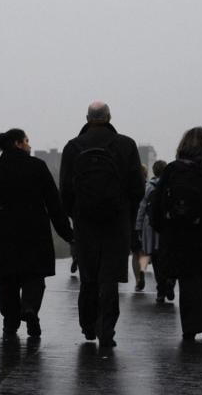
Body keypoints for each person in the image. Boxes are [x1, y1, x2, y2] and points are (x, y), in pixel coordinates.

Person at [59, 101, 145, 351]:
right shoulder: (126, 145)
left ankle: (87, 324)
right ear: (109, 117)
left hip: (85, 222)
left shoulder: (73, 146)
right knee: (109, 278)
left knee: (88, 276)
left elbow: (65, 190)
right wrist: (125, 212)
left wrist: (74, 214)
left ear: (87, 118)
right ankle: (106, 328)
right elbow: (137, 188)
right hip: (116, 222)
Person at [0, 128, 73, 339]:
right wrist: (67, 234)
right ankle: (30, 308)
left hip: (3, 232)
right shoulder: (37, 166)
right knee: (34, 276)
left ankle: (10, 322)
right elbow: (54, 204)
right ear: (18, 143)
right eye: (27, 141)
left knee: (7, 279)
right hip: (34, 231)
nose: (29, 145)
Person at [149, 127, 202, 341]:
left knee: (187, 280)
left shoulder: (173, 170)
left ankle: (190, 326)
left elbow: (156, 204)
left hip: (179, 235)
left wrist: (162, 228)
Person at [135, 160, 173, 304]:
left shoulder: (149, 187)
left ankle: (160, 289)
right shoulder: (171, 185)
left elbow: (142, 207)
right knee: (168, 257)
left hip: (150, 228)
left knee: (155, 259)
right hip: (167, 228)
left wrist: (138, 226)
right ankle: (170, 280)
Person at [130, 164, 149, 292]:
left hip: (133, 222)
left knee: (135, 252)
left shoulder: (131, 188)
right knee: (143, 252)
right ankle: (142, 271)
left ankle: (138, 279)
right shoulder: (149, 187)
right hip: (146, 225)